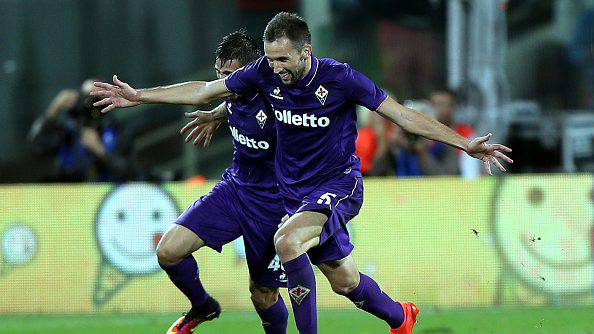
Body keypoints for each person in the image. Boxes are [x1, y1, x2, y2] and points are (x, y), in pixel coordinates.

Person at [92, 12, 512, 334]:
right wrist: (140, 96)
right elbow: (205, 89)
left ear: (305, 51)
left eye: (283, 60)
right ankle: (400, 316)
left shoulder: (341, 79)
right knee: (344, 280)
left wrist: (464, 144)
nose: (275, 68)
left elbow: (401, 115)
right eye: (270, 59)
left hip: (337, 184)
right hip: (290, 192)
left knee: (288, 241)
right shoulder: (262, 74)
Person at [108, 31, 290, 334]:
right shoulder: (232, 96)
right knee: (168, 251)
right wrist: (219, 114)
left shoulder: (278, 97)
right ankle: (203, 305)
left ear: (251, 70)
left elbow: (210, 93)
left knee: (262, 294)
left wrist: (139, 95)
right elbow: (211, 92)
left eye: (230, 75)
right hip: (234, 191)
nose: (223, 82)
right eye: (220, 74)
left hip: (273, 204)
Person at [28, 79, 134, 182]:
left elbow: (129, 173)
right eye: (86, 98)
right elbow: (37, 147)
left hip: (109, 194)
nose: (92, 105)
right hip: (71, 194)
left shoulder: (117, 129)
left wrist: (100, 150)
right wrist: (54, 108)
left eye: (97, 98)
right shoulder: (69, 130)